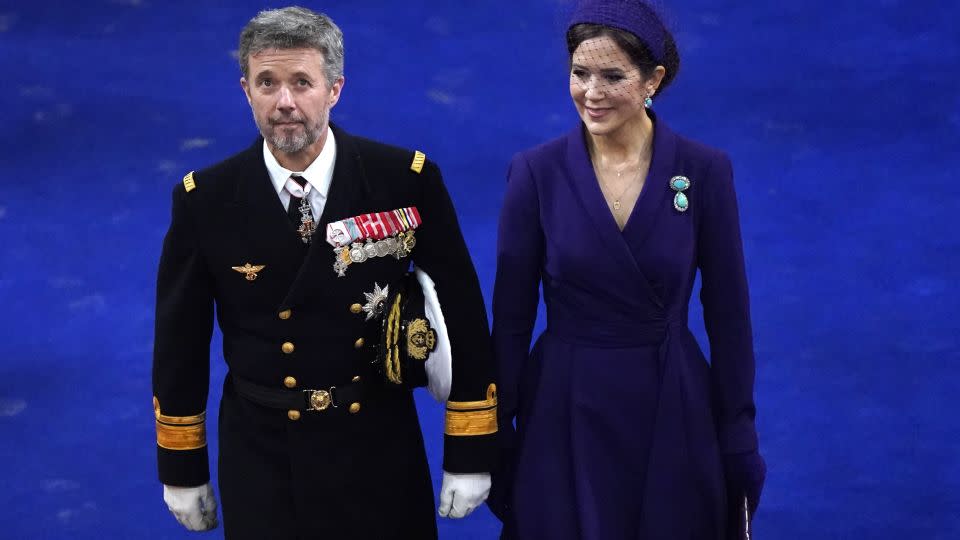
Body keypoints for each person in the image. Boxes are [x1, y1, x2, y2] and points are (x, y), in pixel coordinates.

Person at [152, 7, 497, 539]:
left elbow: (461, 311)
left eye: (301, 82)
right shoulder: (206, 200)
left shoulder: (403, 181)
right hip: (262, 456)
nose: (284, 102)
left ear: (334, 89)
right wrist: (182, 469)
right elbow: (180, 340)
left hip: (378, 446)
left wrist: (469, 449)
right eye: (267, 83)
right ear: (245, 89)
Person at [488, 1, 766, 538]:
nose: (590, 92)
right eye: (579, 73)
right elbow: (512, 320)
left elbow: (729, 317)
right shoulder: (534, 173)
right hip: (564, 411)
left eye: (612, 76)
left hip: (672, 406)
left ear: (652, 80)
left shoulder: (705, 171)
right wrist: (496, 432)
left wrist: (739, 436)